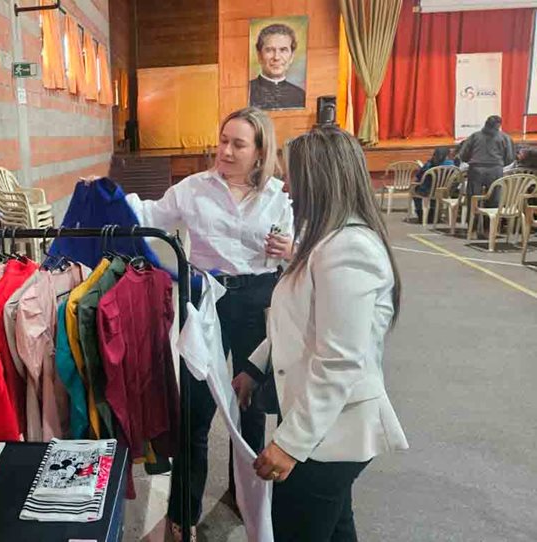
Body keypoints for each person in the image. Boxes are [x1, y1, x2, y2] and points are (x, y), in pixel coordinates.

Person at [123, 106, 294, 540]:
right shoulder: (193, 188)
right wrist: (106, 195)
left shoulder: (279, 196)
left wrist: (290, 248)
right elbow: (147, 215)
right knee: (195, 412)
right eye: (223, 140)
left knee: (251, 410)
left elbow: (305, 252)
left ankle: (246, 497)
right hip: (205, 303)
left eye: (238, 144)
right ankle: (183, 513)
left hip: (259, 303)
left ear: (260, 152)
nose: (226, 150)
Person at [232, 126, 408, 541]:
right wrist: (255, 369)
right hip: (323, 426)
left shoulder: (348, 248)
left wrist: (290, 443)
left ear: (319, 178)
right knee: (336, 529)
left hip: (332, 432)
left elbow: (340, 359)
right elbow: (296, 323)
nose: (286, 186)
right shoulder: (324, 240)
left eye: (291, 175)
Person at [459, 115, 515, 208]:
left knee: (473, 199)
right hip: (495, 170)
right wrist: (499, 164)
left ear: (485, 123)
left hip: (476, 170)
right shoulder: (505, 138)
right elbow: (509, 158)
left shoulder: (474, 136)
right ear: (499, 126)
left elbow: (463, 155)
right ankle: (490, 220)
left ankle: (473, 221)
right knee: (494, 200)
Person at [249, 24, 306, 110]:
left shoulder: (301, 95)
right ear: (259, 55)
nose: (276, 57)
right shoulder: (247, 91)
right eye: (269, 50)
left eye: (283, 50)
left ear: (292, 56)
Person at [413, 146, 454, 221]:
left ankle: (420, 214)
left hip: (427, 191)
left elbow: (419, 176)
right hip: (444, 192)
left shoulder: (429, 164)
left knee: (415, 191)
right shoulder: (452, 165)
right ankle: (434, 213)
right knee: (434, 192)